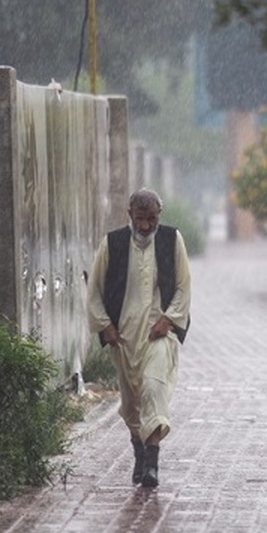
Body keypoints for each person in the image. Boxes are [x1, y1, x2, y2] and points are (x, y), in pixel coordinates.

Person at [87, 188, 191, 488]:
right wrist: (105, 326)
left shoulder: (172, 240)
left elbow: (184, 286)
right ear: (130, 215)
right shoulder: (113, 244)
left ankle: (152, 464)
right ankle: (139, 454)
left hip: (160, 333)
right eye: (141, 219)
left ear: (160, 216)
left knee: (153, 389)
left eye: (152, 219)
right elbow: (94, 290)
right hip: (124, 337)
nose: (146, 226)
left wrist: (169, 320)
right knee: (132, 403)